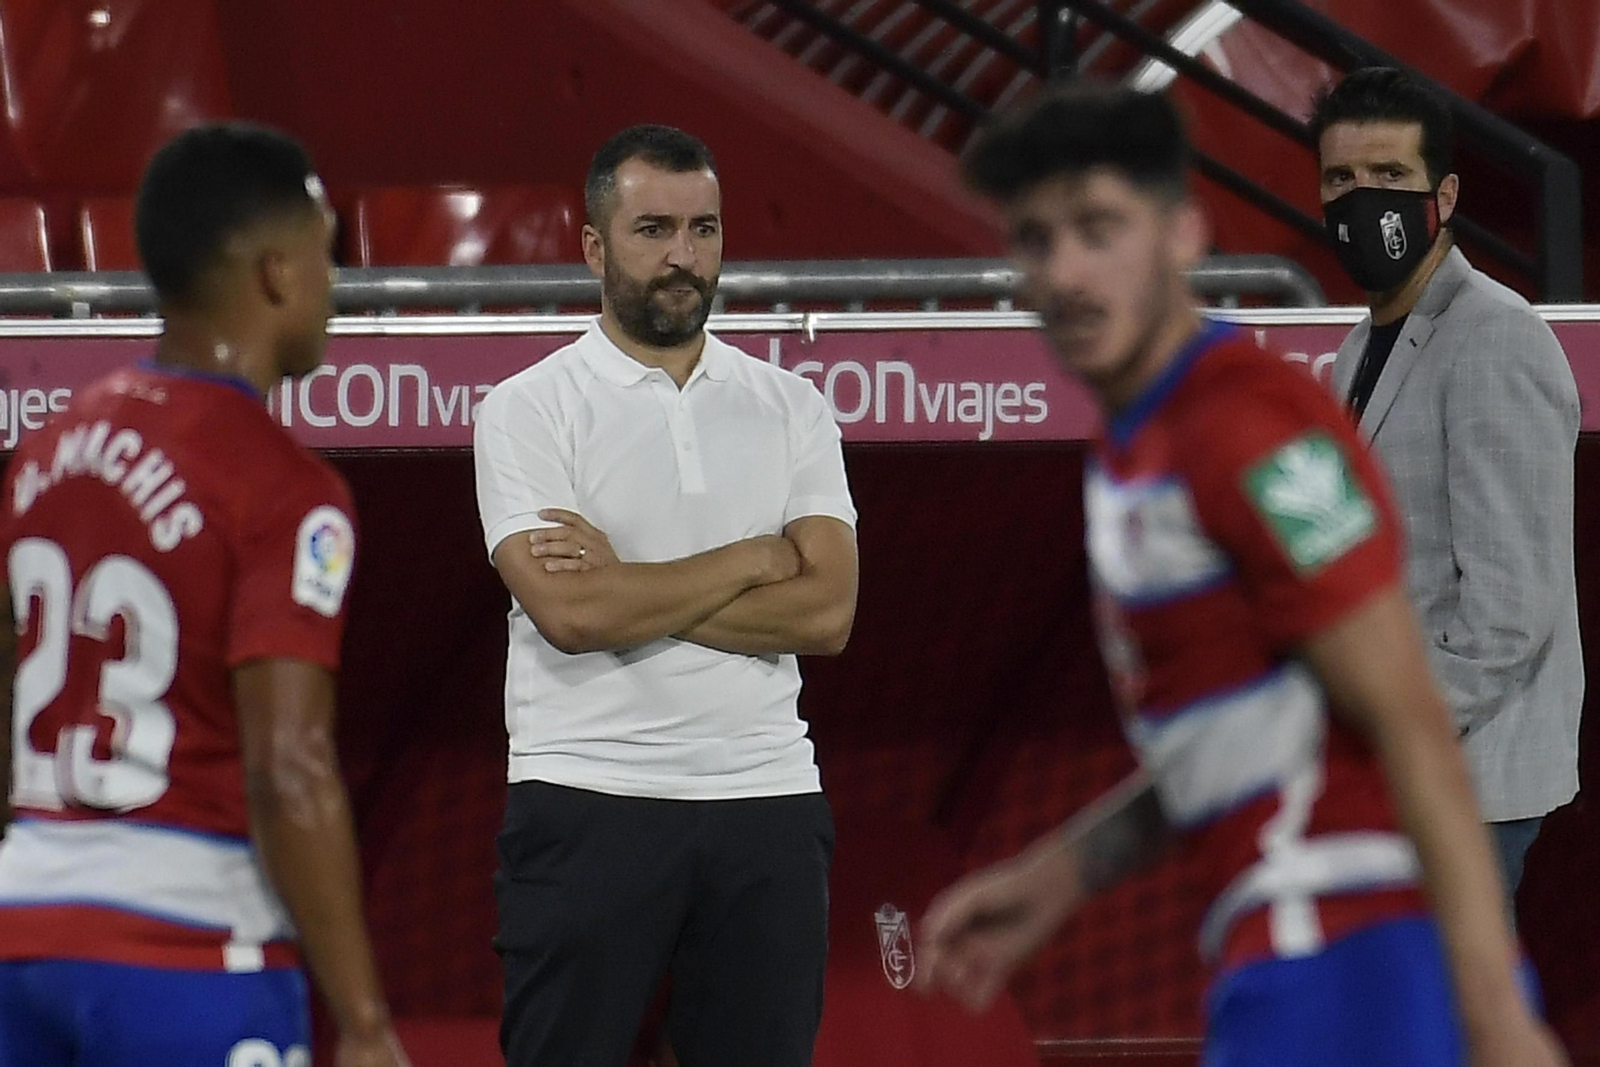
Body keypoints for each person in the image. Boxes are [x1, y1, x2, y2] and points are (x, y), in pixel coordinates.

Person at [914, 83, 1566, 1067]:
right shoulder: (1150, 438)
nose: (1068, 271)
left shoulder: (1247, 425)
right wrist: (1066, 869)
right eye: (1037, 240)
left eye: (1100, 229)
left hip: (1354, 948)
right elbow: (1253, 725)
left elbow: (1402, 707)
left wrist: (1494, 1015)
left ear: (1184, 234)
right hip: (1288, 942)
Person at [0, 124, 408, 1067]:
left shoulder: (43, 454)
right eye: (323, 255)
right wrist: (364, 1020)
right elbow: (289, 763)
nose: (333, 285)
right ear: (276, 272)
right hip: (181, 949)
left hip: (20, 936)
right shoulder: (283, 486)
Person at [472, 124, 858, 1067]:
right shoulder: (527, 408)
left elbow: (828, 616)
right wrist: (753, 556)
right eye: (653, 230)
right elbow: (573, 616)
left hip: (767, 800)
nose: (683, 257)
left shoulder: (794, 407)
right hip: (586, 794)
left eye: (704, 229)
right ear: (595, 247)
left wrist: (631, 581)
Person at [1313, 66, 1582, 897]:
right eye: (1341, 179)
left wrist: (1385, 724)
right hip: (1394, 780)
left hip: (1470, 782)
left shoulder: (1496, 339)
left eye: (1391, 177)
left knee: (1455, 1024)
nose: (1365, 201)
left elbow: (1508, 610)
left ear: (1447, 194)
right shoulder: (1360, 349)